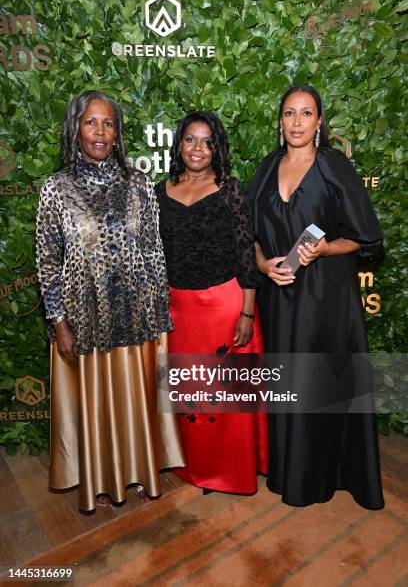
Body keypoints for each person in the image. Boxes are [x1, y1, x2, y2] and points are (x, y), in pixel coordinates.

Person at [36, 90, 184, 511]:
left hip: (135, 314)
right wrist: (59, 322)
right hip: (85, 319)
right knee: (96, 404)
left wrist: (159, 313)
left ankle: (138, 471)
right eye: (90, 122)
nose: (100, 132)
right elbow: (48, 261)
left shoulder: (138, 184)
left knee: (133, 399)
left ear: (118, 133)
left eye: (108, 124)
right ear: (75, 129)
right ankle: (99, 480)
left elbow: (153, 250)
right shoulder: (56, 190)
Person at [248, 84, 384, 509]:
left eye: (307, 114)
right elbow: (249, 236)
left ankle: (322, 476)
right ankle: (291, 473)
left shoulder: (334, 166)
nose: (297, 122)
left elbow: (367, 239)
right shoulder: (268, 167)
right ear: (280, 121)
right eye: (289, 113)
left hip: (326, 296)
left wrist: (325, 249)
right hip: (280, 296)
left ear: (319, 122)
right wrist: (262, 264)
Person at [155, 111, 268, 494]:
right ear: (179, 144)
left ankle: (230, 471)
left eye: (206, 141)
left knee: (224, 397)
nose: (198, 148)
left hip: (223, 305)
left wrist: (247, 311)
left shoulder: (229, 189)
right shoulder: (160, 191)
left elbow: (244, 253)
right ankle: (194, 467)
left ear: (216, 147)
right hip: (179, 311)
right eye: (190, 139)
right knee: (189, 395)